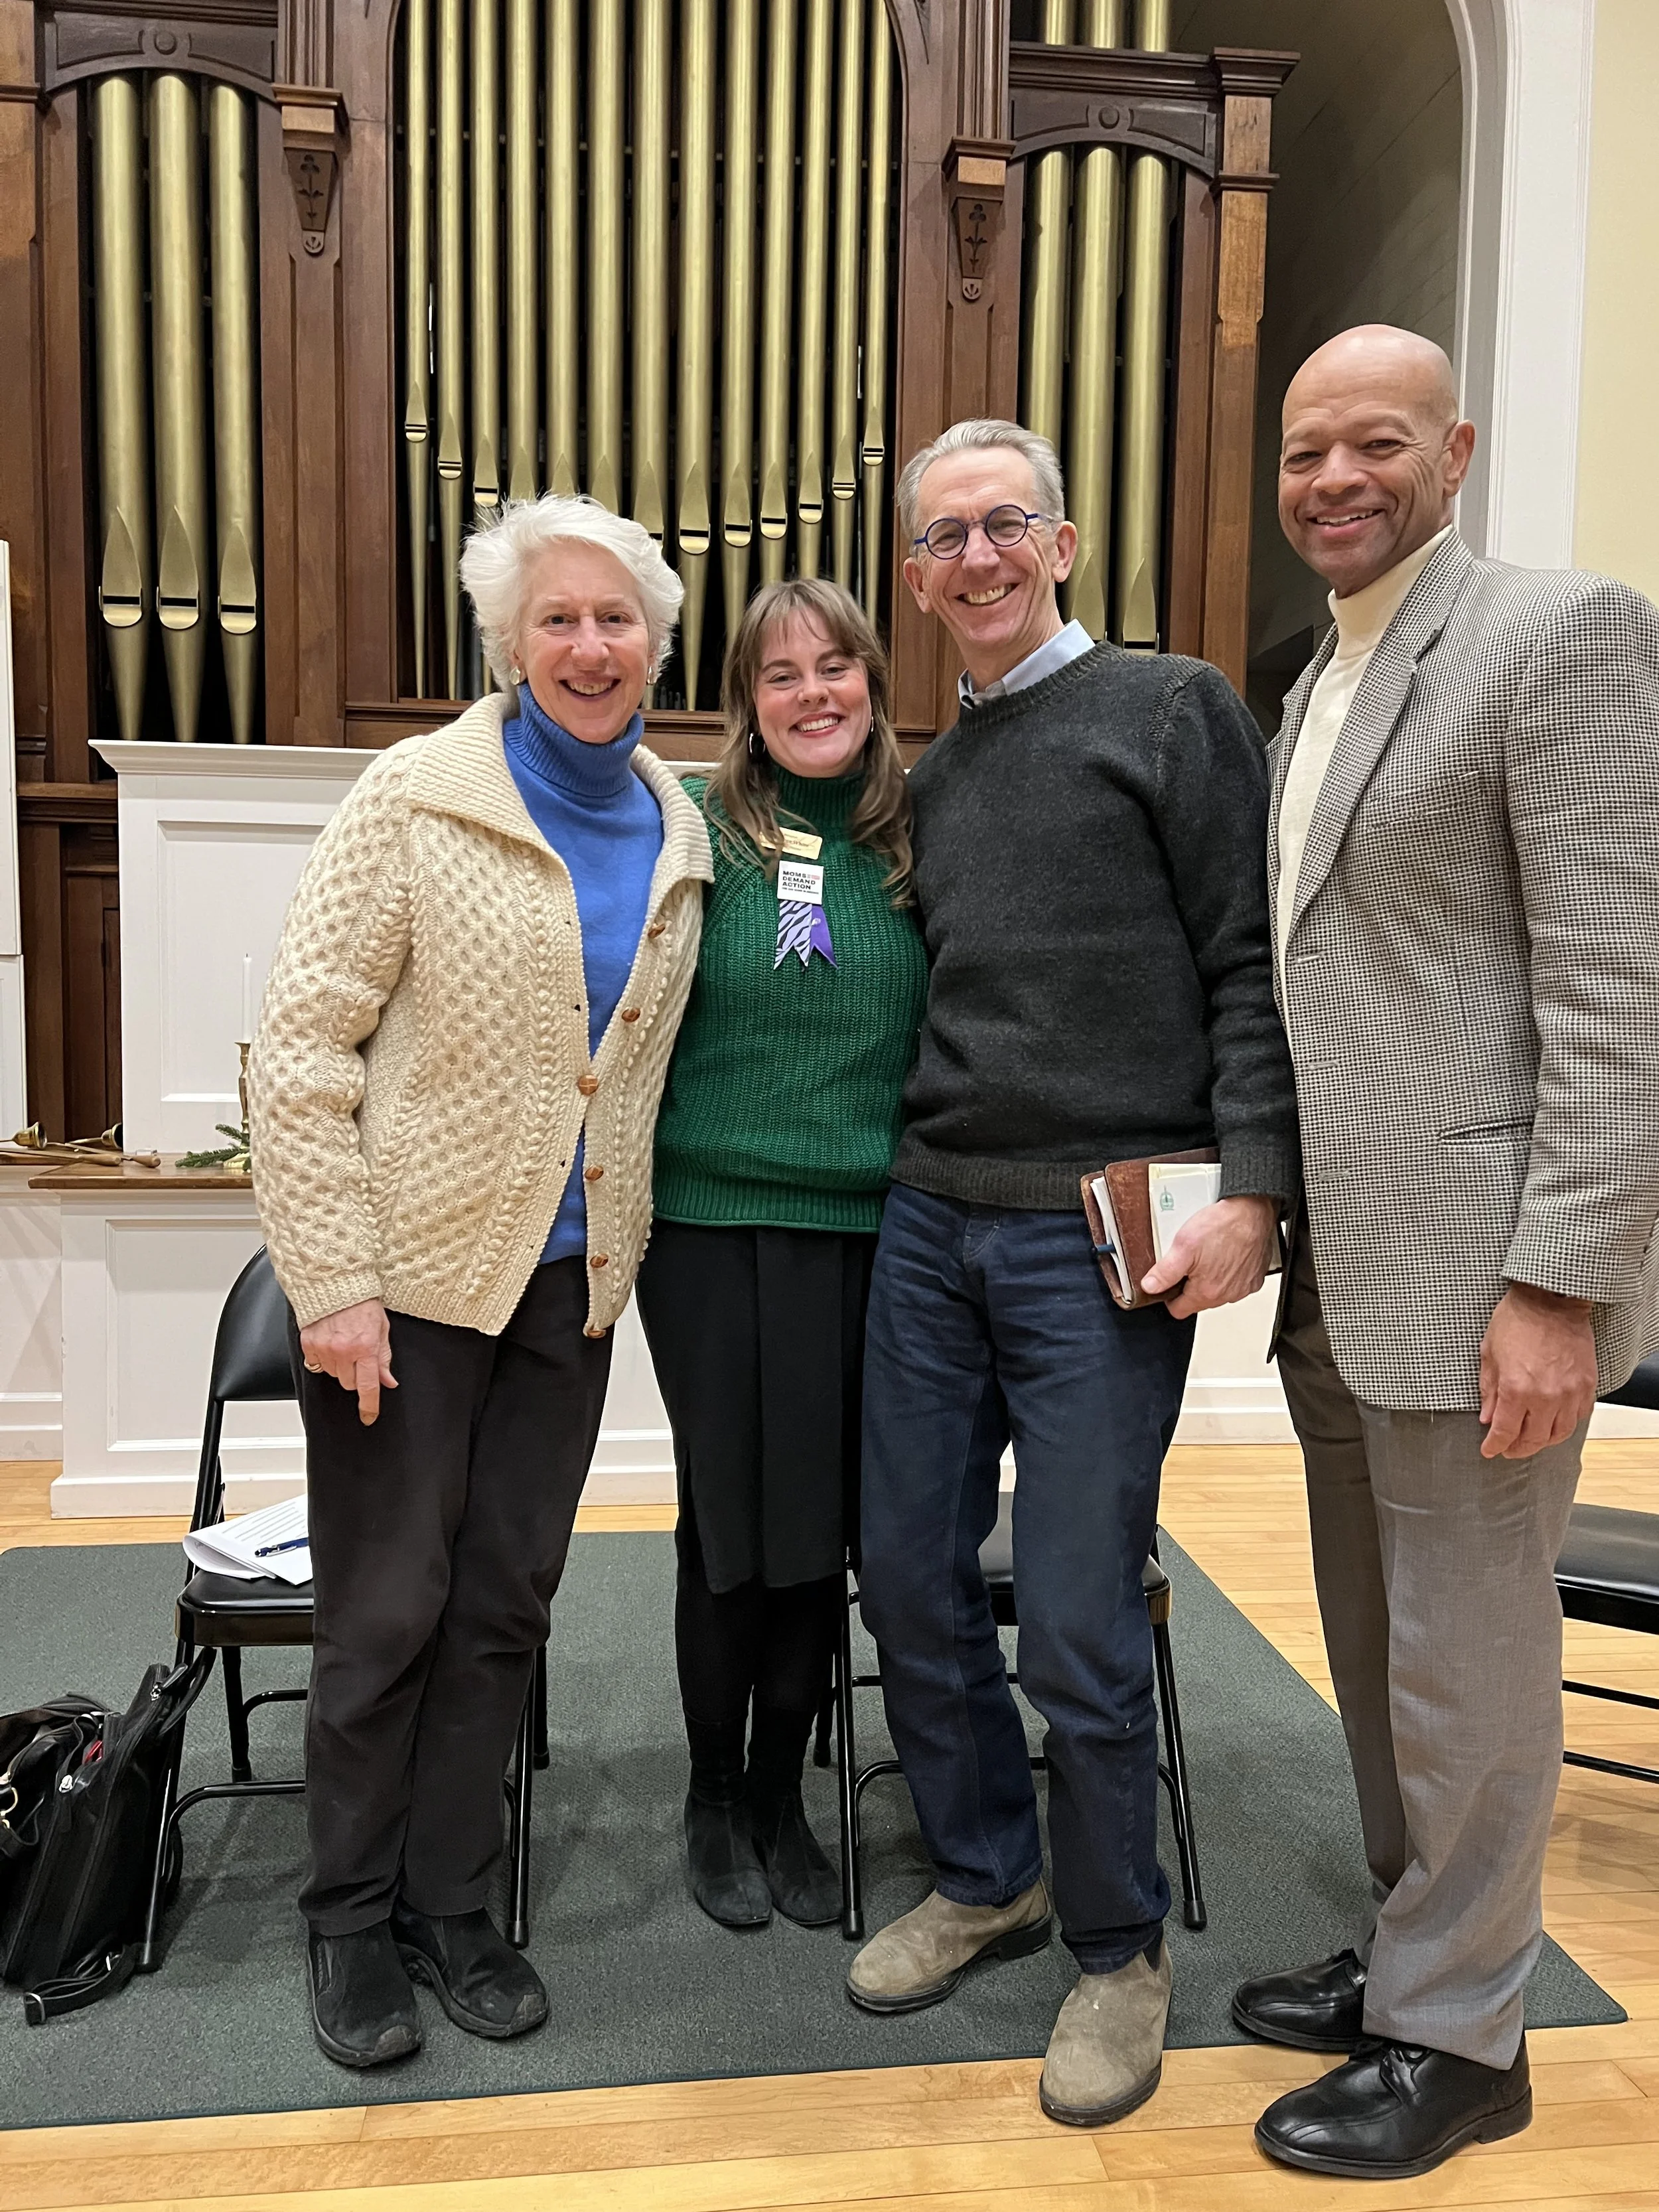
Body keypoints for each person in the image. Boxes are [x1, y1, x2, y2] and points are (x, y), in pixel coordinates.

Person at [1235, 324, 1659, 2181]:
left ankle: (1462, 2032)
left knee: (1468, 1658)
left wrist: (1558, 1280)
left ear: (1456, 449)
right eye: (1306, 448)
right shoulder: (1311, 675)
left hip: (1490, 1267)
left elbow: (1616, 982)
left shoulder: (1554, 636)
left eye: (1376, 442)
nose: (1335, 475)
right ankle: (1419, 1941)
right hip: (1347, 1264)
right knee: (1372, 1641)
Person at [848, 419, 1299, 2128]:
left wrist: (1252, 1186)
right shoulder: (931, 774)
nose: (973, 555)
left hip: (1095, 1238)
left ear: (1058, 540)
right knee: (903, 1569)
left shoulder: (1173, 710)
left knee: (1087, 1608)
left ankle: (1117, 1947)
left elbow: (1247, 965)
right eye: (942, 536)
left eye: (1001, 524)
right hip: (927, 1214)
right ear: (913, 577)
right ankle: (987, 1872)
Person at [248, 492, 711, 2069]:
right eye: (559, 621)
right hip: (406, 1291)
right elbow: (302, 1047)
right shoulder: (414, 797)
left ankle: (452, 1901)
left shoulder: (681, 826)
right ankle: (346, 1917)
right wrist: (332, 1281)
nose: (591, 647)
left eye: (617, 620)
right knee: (386, 1611)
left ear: (659, 641)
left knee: (505, 1608)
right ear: (509, 643)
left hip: (572, 1295)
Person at [635, 577, 927, 1932]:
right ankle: (706, 1796)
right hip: (699, 1225)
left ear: (871, 680)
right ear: (745, 703)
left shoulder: (914, 837)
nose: (813, 692)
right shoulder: (686, 827)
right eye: (779, 674)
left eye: (836, 667)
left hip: (863, 1230)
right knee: (728, 1527)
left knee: (814, 1538)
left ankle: (779, 1794)